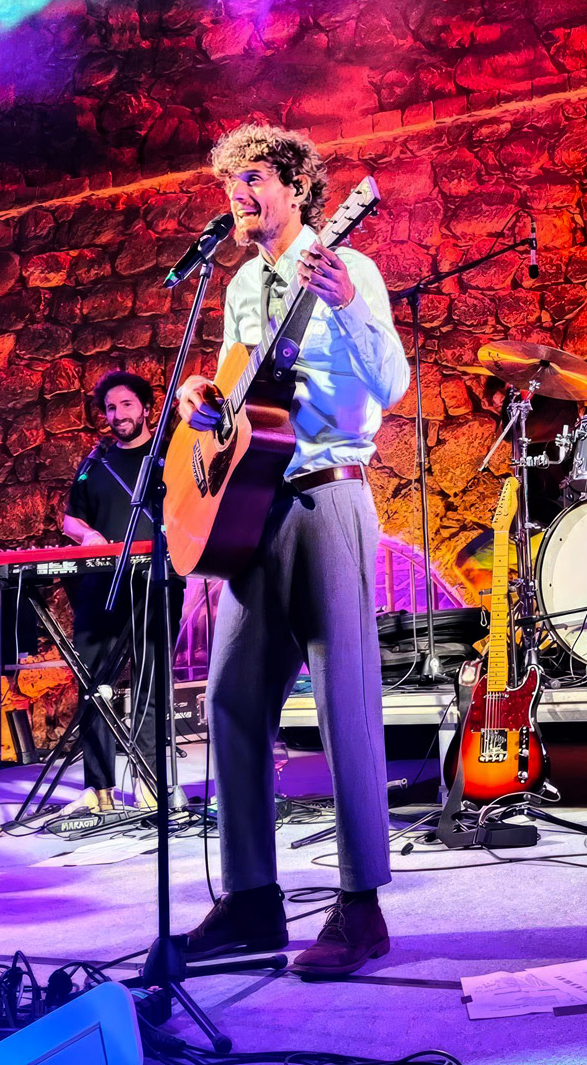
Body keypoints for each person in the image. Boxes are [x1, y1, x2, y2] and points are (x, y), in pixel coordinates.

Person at [172, 122, 408, 979]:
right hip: (249, 508)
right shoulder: (240, 285)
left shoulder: (350, 267)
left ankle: (361, 906)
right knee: (231, 698)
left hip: (326, 495)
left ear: (299, 188)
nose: (239, 194)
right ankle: (250, 900)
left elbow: (392, 384)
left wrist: (346, 305)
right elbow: (239, 391)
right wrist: (204, 399)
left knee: (345, 705)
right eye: (230, 182)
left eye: (255, 178)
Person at [53, 368, 177, 832]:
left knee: (150, 679)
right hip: (101, 580)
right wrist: (87, 535)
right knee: (93, 683)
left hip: (156, 578)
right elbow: (70, 520)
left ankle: (149, 780)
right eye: (110, 408)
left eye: (126, 405)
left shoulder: (167, 455)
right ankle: (98, 788)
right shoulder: (95, 462)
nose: (118, 415)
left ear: (146, 407)